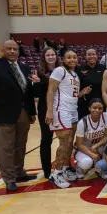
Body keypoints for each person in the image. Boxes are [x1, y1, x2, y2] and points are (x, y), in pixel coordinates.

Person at [0, 41, 37, 191]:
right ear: (2, 50)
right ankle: (9, 178)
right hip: (1, 113)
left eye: (14, 49)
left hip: (22, 112)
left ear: (18, 51)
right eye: (8, 49)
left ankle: (19, 172)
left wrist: (31, 112)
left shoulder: (23, 66)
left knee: (20, 145)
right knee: (5, 148)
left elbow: (27, 91)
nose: (12, 51)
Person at [46, 50, 91, 188]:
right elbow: (51, 91)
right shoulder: (60, 70)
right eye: (69, 57)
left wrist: (81, 93)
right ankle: (56, 173)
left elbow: (70, 94)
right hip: (61, 111)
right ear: (63, 59)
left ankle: (65, 168)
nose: (72, 59)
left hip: (72, 110)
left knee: (70, 142)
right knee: (64, 142)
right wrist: (49, 111)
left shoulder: (75, 75)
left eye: (74, 57)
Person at [33, 47, 61, 179]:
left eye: (53, 54)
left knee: (65, 139)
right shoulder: (39, 73)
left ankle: (64, 166)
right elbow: (36, 94)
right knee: (46, 140)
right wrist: (38, 83)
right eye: (48, 55)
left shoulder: (62, 70)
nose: (50, 56)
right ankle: (47, 170)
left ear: (56, 56)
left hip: (62, 108)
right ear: (44, 57)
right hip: (45, 110)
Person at [74, 99, 107, 178]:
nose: (97, 110)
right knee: (87, 163)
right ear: (89, 108)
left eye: (100, 108)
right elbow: (79, 145)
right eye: (94, 108)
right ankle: (79, 167)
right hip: (84, 148)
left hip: (98, 146)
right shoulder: (82, 122)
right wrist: (91, 154)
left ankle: (101, 169)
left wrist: (96, 146)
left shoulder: (106, 116)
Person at [76, 48, 106, 119]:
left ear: (97, 56)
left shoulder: (103, 68)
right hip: (84, 103)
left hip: (100, 102)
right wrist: (81, 93)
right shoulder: (79, 69)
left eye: (93, 54)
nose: (91, 56)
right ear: (85, 57)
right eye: (89, 55)